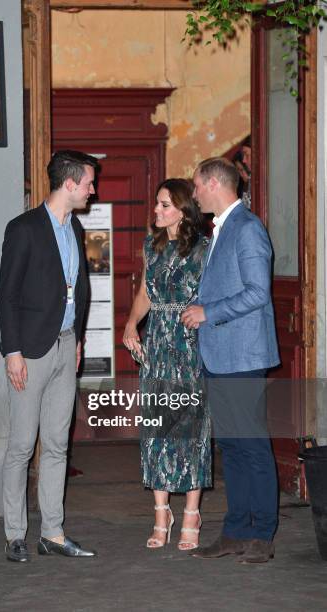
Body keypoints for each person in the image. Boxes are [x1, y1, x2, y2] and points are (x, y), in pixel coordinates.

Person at [0, 150, 99, 562]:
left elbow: (78, 289)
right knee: (22, 445)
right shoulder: (23, 229)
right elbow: (8, 296)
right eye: (90, 182)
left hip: (64, 345)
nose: (94, 190)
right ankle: (15, 535)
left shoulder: (75, 228)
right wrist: (12, 352)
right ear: (70, 183)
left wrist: (77, 339)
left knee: (58, 445)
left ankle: (52, 534)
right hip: (31, 351)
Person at [182, 157, 280, 564]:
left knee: (252, 447)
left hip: (242, 356)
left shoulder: (248, 229)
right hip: (223, 356)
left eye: (197, 186)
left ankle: (262, 535)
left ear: (214, 184)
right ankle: (237, 530)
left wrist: (208, 311)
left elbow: (259, 292)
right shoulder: (224, 228)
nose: (194, 193)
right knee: (234, 448)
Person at [123, 178, 211, 551]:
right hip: (157, 342)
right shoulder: (152, 244)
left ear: (183, 210)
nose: (156, 211)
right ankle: (161, 513)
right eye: (157, 204)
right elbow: (144, 292)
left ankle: (192, 513)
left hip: (189, 344)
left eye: (164, 205)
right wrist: (129, 325)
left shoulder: (205, 249)